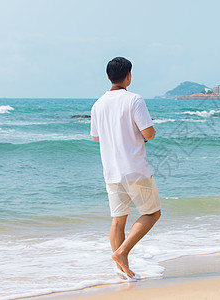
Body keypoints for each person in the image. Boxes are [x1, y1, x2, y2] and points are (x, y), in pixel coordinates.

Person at [90, 57, 161, 278]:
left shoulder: (98, 104)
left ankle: (122, 272)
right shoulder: (134, 100)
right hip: (135, 169)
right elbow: (148, 133)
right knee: (152, 213)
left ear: (108, 77)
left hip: (111, 171)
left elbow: (95, 138)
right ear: (128, 76)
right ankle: (122, 252)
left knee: (118, 220)